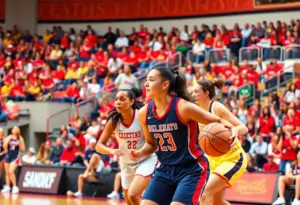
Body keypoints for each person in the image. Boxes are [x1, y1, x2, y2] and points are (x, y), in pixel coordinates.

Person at [130, 67, 233, 205]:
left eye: (151, 80)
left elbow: (219, 121)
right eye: (146, 80)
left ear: (165, 85)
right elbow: (151, 144)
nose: (146, 84)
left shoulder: (183, 107)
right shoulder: (144, 113)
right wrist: (140, 153)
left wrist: (232, 133)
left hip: (191, 170)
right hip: (165, 170)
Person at [96, 88, 158, 205]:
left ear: (131, 102)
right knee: (130, 201)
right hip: (126, 163)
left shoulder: (140, 116)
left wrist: (140, 152)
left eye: (122, 99)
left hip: (145, 160)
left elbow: (152, 142)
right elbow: (98, 146)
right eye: (116, 99)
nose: (118, 102)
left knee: (133, 195)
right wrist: (112, 151)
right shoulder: (114, 120)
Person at [192, 79, 248, 205]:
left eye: (196, 91)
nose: (193, 94)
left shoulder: (216, 107)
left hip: (232, 158)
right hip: (212, 160)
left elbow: (244, 128)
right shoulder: (195, 110)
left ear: (206, 93)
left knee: (204, 193)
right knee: (217, 201)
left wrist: (235, 130)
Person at [1, 126, 26, 194]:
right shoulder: (9, 137)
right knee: (7, 173)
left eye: (15, 129)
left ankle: (15, 187)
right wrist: (6, 142)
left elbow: (23, 149)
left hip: (16, 156)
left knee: (10, 171)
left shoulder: (20, 138)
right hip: (8, 156)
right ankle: (8, 187)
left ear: (18, 130)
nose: (13, 130)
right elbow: (4, 147)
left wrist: (19, 144)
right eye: (13, 129)